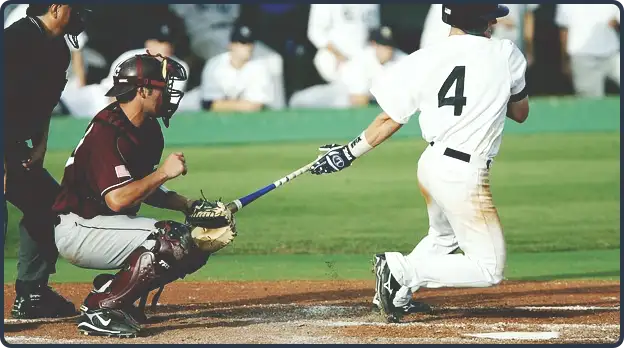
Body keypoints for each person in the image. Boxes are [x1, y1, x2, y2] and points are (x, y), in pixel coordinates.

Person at [309, 4, 529, 323]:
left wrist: (347, 153)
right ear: (476, 20)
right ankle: (399, 269)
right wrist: (490, 94)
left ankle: (395, 292)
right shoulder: (507, 53)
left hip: (432, 164)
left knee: (444, 237)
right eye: (490, 15)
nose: (496, 20)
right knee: (489, 268)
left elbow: (389, 119)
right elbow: (520, 113)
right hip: (465, 173)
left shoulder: (423, 58)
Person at [51, 52, 212, 337]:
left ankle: (115, 293)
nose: (169, 93)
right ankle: (102, 308)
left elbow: (143, 188)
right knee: (170, 240)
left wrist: (190, 205)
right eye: (162, 86)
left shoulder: (147, 129)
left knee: (197, 243)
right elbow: (119, 199)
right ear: (143, 90)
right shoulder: (107, 131)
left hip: (106, 226)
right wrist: (164, 172)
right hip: (79, 228)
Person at [4, 3, 89, 319]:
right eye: (74, 7)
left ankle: (32, 294)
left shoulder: (57, 51)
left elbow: (42, 103)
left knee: (48, 203)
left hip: (13, 145)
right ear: (56, 8)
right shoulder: (15, 40)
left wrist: (40, 145)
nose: (80, 14)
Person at [60, 23, 190, 117]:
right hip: (101, 98)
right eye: (160, 42)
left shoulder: (179, 67)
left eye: (169, 42)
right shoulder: (129, 57)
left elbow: (168, 103)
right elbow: (113, 94)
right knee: (61, 99)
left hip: (139, 111)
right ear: (149, 43)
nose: (166, 47)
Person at [289, 26, 407, 109]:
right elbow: (358, 99)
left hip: (376, 103)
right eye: (384, 46)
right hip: (343, 92)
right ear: (374, 44)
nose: (388, 50)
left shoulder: (403, 59)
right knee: (298, 101)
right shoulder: (363, 59)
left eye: (390, 46)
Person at [199, 25, 277, 112]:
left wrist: (225, 104)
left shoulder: (259, 66)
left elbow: (256, 106)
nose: (248, 47)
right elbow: (210, 104)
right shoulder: (215, 65)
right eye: (243, 43)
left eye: (250, 43)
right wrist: (242, 105)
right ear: (231, 45)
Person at [555, 4, 620, 98]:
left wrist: (615, 22)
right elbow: (564, 30)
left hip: (612, 53)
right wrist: (565, 60)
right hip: (582, 57)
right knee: (591, 103)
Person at [307, 4, 380, 83]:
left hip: (364, 57)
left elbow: (375, 29)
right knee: (326, 61)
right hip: (335, 58)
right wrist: (338, 55)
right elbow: (315, 33)